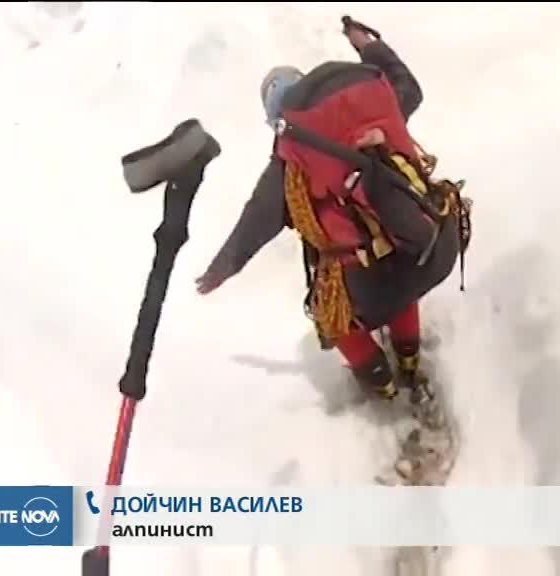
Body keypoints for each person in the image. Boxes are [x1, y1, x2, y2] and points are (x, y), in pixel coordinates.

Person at [194, 17, 469, 405]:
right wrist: (369, 46)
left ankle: (384, 390)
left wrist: (219, 270)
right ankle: (410, 364)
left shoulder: (287, 169)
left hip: (374, 282)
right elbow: (410, 88)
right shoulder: (377, 111)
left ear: (279, 121)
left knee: (335, 319)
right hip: (434, 244)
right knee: (400, 269)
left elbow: (254, 225)